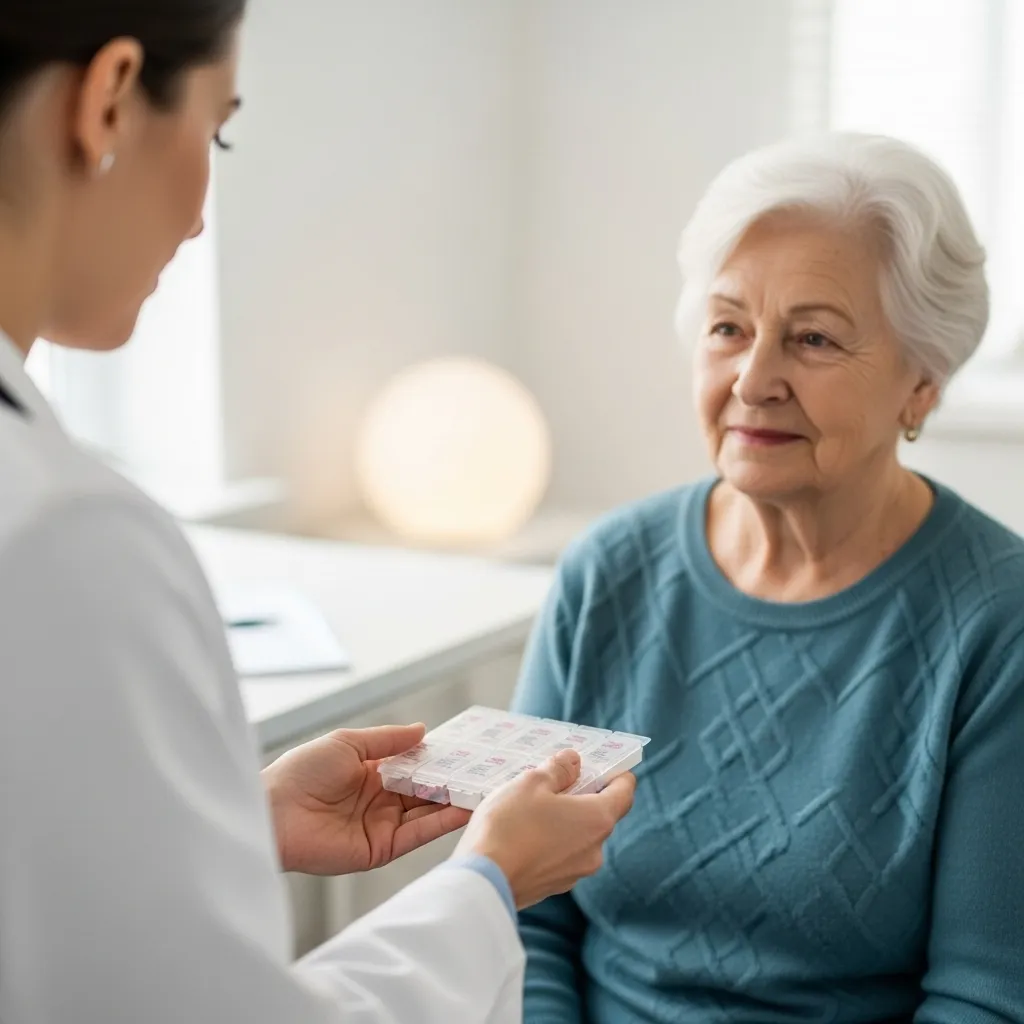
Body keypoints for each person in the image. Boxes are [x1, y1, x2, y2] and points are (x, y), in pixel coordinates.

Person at [0, 3, 636, 1023]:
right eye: (218, 131)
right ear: (110, 97)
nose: (202, 212)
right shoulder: (65, 539)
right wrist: (484, 886)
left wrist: (231, 827)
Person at [513, 133, 1024, 1023]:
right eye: (728, 329)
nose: (754, 380)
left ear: (923, 384)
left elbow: (984, 999)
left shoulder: (996, 622)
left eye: (814, 338)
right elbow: (524, 916)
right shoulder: (609, 572)